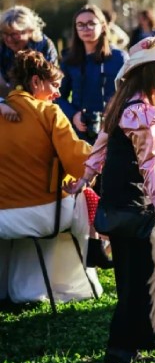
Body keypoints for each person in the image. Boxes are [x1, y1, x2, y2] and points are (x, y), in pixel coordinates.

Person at [67, 36, 155, 363]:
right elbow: (149, 168)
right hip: (134, 205)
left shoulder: (123, 102)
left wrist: (84, 179)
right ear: (150, 71)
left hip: (123, 202)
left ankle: (153, 338)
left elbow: (100, 148)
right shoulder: (140, 111)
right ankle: (121, 351)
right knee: (138, 279)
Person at [0, 50, 101, 304]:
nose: (58, 93)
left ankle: (16, 287)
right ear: (36, 82)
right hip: (45, 215)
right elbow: (80, 162)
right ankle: (79, 282)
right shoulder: (49, 113)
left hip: (3, 218)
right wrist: (103, 148)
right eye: (55, 85)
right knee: (83, 197)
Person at [57, 5, 128, 143]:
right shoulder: (69, 60)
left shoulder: (119, 58)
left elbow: (131, 94)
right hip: (80, 131)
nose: (86, 29)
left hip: (114, 129)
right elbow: (57, 96)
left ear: (102, 26)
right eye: (81, 25)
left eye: (91, 24)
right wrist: (74, 115)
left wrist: (114, 115)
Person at [0, 5, 59, 98]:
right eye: (5, 33)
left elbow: (50, 81)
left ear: (30, 31)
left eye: (14, 34)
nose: (9, 39)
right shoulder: (2, 46)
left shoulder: (44, 45)